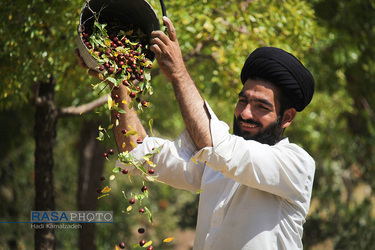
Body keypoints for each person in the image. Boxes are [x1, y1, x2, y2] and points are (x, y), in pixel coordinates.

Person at [76, 16, 315, 250]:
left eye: (261, 107)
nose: (245, 114)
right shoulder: (213, 161)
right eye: (243, 101)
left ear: (287, 117)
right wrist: (118, 80)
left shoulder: (296, 165)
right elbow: (137, 152)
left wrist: (179, 73)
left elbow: (219, 146)